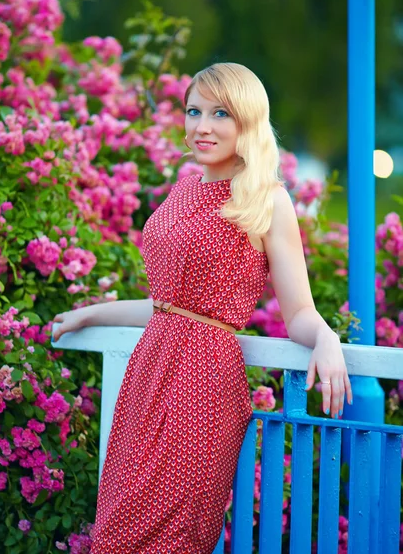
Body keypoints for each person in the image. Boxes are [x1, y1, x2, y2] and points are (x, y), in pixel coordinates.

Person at [52, 62, 352, 553]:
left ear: (248, 122)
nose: (202, 126)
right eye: (194, 111)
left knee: (169, 533)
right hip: (150, 375)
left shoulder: (267, 200)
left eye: (220, 114)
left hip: (203, 382)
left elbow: (297, 310)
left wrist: (326, 338)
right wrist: (93, 312)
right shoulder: (183, 189)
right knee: (116, 528)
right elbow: (169, 305)